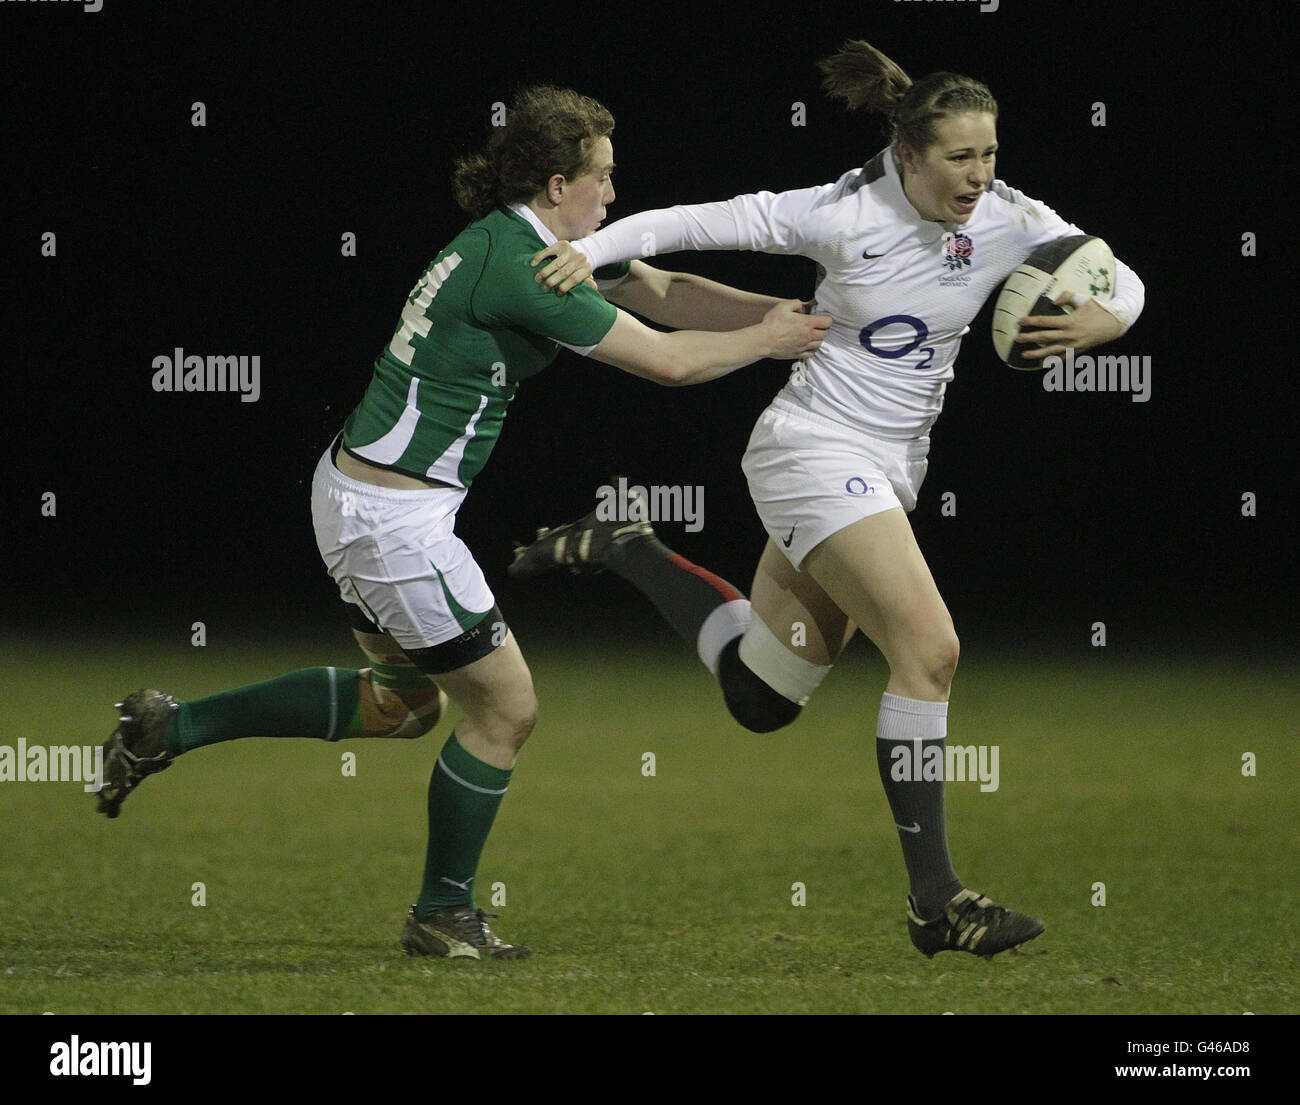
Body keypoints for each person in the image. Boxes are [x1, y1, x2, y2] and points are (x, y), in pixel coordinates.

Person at [94, 85, 831, 961]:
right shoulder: (518, 267)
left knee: (400, 705)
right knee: (507, 709)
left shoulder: (532, 245)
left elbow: (663, 289)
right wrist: (768, 341)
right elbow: (667, 360)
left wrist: (785, 316)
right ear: (558, 184)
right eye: (603, 177)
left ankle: (168, 728)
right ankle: (441, 913)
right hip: (392, 519)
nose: (614, 195)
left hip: (367, 495)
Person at [511, 41, 1145, 958]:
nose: (981, 175)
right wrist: (586, 248)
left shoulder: (1009, 217)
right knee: (930, 650)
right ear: (909, 156)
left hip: (889, 470)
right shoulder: (841, 213)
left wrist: (1109, 316)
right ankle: (938, 902)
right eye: (961, 157)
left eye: (991, 153)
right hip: (810, 450)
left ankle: (624, 547)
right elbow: (695, 219)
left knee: (764, 695)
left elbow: (1115, 269)